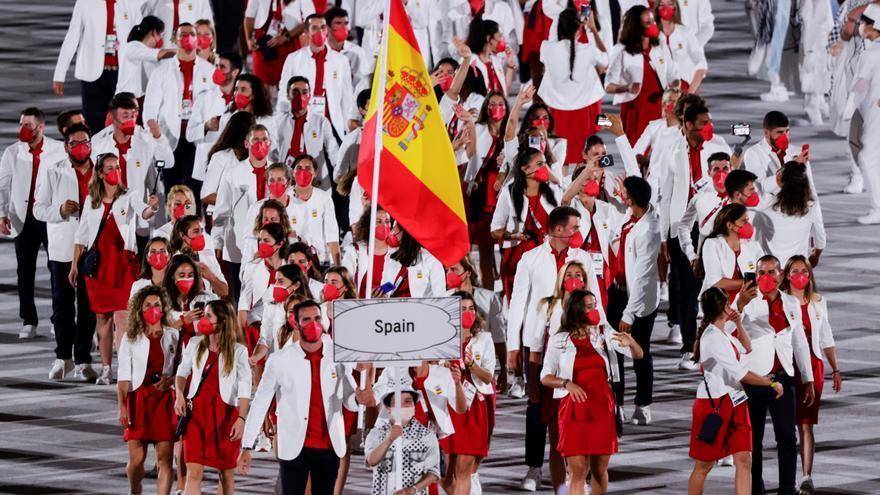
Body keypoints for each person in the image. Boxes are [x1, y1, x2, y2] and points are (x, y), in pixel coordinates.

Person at [503, 205, 602, 490]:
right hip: (539, 345)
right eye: (574, 227)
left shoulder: (581, 257)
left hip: (577, 344)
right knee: (537, 410)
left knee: (573, 408)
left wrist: (601, 333)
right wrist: (513, 346)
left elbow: (594, 299)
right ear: (558, 230)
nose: (577, 232)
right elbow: (518, 304)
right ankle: (534, 468)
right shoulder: (530, 259)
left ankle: (576, 474)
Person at [238, 299, 360, 495]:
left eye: (317, 318)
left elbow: (350, 401)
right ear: (295, 323)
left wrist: (360, 398)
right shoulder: (279, 360)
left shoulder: (338, 355)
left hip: (329, 445)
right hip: (294, 446)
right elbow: (260, 403)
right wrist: (246, 445)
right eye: (307, 319)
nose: (314, 324)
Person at [541, 289, 644, 495]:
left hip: (601, 406)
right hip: (573, 409)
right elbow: (545, 376)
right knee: (577, 470)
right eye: (590, 306)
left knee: (599, 470)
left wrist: (630, 342)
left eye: (595, 305)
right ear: (577, 310)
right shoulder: (559, 339)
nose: (595, 310)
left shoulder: (603, 333)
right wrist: (566, 383)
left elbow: (638, 355)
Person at [71, 153, 159, 386]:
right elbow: (81, 235)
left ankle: (124, 370)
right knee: (103, 320)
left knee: (122, 318)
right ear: (100, 173)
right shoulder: (92, 200)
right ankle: (106, 368)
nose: (115, 171)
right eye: (109, 168)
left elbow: (144, 212)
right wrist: (73, 265)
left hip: (122, 266)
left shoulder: (129, 195)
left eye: (117, 166)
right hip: (99, 268)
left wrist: (152, 208)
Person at [656, 104, 731, 373]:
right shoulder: (671, 151)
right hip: (682, 226)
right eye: (702, 123)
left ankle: (723, 344)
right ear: (687, 126)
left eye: (710, 121)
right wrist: (666, 234)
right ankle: (689, 347)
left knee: (717, 286)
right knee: (687, 290)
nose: (708, 127)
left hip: (713, 225)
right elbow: (665, 193)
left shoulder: (719, 148)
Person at [687, 287, 783, 495]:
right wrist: (771, 383)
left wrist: (739, 323)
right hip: (714, 406)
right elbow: (742, 374)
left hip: (736, 402)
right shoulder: (712, 337)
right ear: (723, 307)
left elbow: (747, 348)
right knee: (704, 465)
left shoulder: (724, 333)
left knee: (744, 459)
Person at [734, 254, 815, 495]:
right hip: (755, 379)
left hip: (784, 378)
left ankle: (787, 489)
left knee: (787, 439)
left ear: (780, 275)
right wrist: (739, 305)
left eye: (771, 272)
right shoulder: (746, 300)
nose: (766, 277)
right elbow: (727, 330)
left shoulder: (791, 303)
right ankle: (755, 489)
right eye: (761, 273)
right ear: (755, 276)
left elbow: (799, 342)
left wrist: (808, 378)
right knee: (754, 440)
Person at [35, 123, 97, 379]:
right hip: (62, 248)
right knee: (62, 305)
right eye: (75, 143)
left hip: (92, 248)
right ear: (66, 146)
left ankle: (83, 360)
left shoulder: (101, 171)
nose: (81, 148)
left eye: (85, 142)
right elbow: (39, 209)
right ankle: (63, 357)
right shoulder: (54, 171)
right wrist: (60, 211)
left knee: (87, 306)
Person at [0, 107, 66, 339]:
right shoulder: (12, 152)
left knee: (57, 270)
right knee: (24, 271)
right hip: (23, 218)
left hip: (50, 218)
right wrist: (1, 214)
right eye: (20, 124)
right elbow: (3, 185)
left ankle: (58, 319)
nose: (22, 129)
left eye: (27, 125)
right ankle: (29, 320)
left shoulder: (58, 150)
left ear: (40, 126)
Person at [175, 299, 251, 495]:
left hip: (225, 415)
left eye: (208, 316)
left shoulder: (239, 351)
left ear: (222, 321)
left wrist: (241, 419)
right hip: (196, 413)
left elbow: (245, 389)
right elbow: (182, 372)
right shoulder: (194, 343)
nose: (203, 320)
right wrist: (179, 395)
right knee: (194, 471)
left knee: (225, 473)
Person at [779, 256, 842, 494]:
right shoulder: (781, 300)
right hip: (787, 365)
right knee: (785, 425)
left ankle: (806, 477)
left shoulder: (818, 302)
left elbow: (826, 337)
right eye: (794, 271)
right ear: (786, 275)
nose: (800, 275)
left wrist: (835, 368)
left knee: (806, 424)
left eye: (804, 270)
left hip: (813, 366)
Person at [143, 22, 221, 198]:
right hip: (169, 137)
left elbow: (216, 104)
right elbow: (150, 107)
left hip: (198, 137)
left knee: (197, 190)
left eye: (192, 34)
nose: (188, 38)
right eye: (183, 35)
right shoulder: (161, 71)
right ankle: (173, 224)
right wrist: (155, 131)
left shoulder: (209, 71)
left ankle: (196, 224)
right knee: (172, 190)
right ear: (174, 40)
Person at [606, 176, 660, 425]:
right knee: (613, 352)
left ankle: (643, 403)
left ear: (633, 198)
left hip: (638, 299)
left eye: (625, 193)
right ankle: (617, 403)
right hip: (617, 291)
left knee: (640, 352)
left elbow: (643, 278)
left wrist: (629, 313)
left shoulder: (648, 230)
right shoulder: (630, 217)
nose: (621, 195)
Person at [90, 92, 175, 246]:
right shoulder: (98, 143)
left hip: (138, 221)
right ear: (113, 117)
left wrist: (158, 137)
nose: (131, 119)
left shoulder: (145, 139)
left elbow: (168, 162)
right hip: (109, 220)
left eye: (134, 115)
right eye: (125, 115)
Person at [117, 285, 178, 495]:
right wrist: (122, 407)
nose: (153, 309)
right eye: (148, 305)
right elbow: (124, 376)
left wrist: (170, 381)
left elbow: (181, 369)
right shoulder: (131, 338)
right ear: (139, 310)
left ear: (163, 308)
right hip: (138, 400)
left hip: (164, 401)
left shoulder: (173, 335)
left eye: (157, 305)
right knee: (136, 460)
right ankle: (135, 490)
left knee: (165, 460)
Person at [53, 0, 143, 133]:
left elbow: (140, 39)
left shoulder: (132, 2)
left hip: (124, 74)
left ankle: (123, 154)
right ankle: (96, 153)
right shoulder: (85, 2)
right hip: (92, 75)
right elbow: (72, 36)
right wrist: (59, 74)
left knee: (126, 125)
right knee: (94, 125)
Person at [491, 147, 562, 303]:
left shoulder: (552, 191)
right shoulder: (508, 192)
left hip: (546, 261)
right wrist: (511, 236)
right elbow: (494, 230)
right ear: (525, 169)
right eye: (540, 164)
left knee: (544, 312)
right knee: (520, 314)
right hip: (516, 262)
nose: (544, 168)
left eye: (544, 164)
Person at [442, 292, 495, 495]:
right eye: (462, 309)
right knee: (446, 474)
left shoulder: (484, 339)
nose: (468, 313)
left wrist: (472, 365)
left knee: (464, 469)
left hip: (474, 408)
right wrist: (443, 363)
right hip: (449, 406)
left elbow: (489, 377)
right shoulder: (444, 339)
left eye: (471, 308)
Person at [539, 8, 607, 166]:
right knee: (584, 156)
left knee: (560, 157)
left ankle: (561, 189)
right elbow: (605, 60)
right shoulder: (588, 49)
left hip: (555, 109)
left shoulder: (546, 48)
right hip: (586, 111)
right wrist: (593, 29)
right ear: (579, 29)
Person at [212, 124, 274, 297]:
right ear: (246, 143)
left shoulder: (278, 171)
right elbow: (221, 211)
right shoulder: (233, 173)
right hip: (239, 245)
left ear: (270, 143)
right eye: (255, 139)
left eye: (264, 139)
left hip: (273, 246)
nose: (260, 144)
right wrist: (217, 241)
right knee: (241, 297)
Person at [605, 5, 678, 143]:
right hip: (635, 110)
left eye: (653, 21)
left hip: (659, 108)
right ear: (636, 27)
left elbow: (673, 75)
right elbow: (608, 85)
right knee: (635, 152)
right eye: (648, 23)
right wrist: (627, 88)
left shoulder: (660, 46)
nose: (653, 25)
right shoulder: (621, 51)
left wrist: (674, 89)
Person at [277, 14, 355, 139]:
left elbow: (347, 99)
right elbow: (283, 94)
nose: (320, 32)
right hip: (303, 122)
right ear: (307, 32)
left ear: (327, 31)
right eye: (315, 28)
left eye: (323, 27)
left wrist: (348, 131)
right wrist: (284, 123)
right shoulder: (293, 59)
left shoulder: (341, 61)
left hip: (333, 124)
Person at [463, 91, 509, 289]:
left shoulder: (512, 133)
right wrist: (469, 125)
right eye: (492, 103)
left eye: (500, 103)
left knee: (503, 251)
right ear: (486, 108)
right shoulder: (479, 129)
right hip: (481, 196)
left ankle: (500, 292)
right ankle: (480, 290)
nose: (496, 107)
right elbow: (469, 154)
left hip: (504, 197)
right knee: (484, 250)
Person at [364, 383, 442, 495]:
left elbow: (434, 472)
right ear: (388, 408)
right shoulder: (376, 433)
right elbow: (371, 461)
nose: (403, 407)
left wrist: (413, 489)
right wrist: (389, 439)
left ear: (414, 405)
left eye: (408, 401)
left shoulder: (427, 435)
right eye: (397, 403)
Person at [446, 256, 508, 391]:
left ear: (468, 272)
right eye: (447, 271)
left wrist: (504, 368)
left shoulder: (489, 298)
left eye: (454, 269)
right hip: (455, 369)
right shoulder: (444, 299)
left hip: (481, 368)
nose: (449, 274)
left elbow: (499, 337)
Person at [753, 161, 826, 267]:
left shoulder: (764, 203)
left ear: (779, 180)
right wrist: (815, 256)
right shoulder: (811, 207)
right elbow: (820, 238)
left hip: (770, 269)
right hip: (796, 270)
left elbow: (757, 188)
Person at [846, 6, 880, 224]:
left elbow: (860, 85)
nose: (861, 26)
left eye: (864, 22)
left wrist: (847, 109)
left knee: (868, 158)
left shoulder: (873, 53)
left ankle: (878, 207)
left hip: (875, 113)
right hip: (872, 111)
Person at [697, 204, 764, 304]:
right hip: (719, 305)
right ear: (729, 225)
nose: (748, 225)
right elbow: (716, 282)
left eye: (747, 220)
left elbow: (763, 273)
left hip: (749, 305)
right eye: (743, 221)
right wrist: (750, 282)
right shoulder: (712, 244)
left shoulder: (753, 245)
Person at [275, 77, 339, 181]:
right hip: (286, 177)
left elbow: (332, 148)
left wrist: (339, 169)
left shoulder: (321, 121)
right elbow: (272, 153)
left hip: (315, 178)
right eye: (295, 92)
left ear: (310, 95)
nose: (300, 96)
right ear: (287, 95)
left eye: (304, 92)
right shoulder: (278, 121)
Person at [287, 154, 341, 265]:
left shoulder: (324, 198)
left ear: (315, 173)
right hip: (293, 261)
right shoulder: (285, 197)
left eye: (308, 168)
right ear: (293, 172)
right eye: (299, 168)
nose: (303, 172)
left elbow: (332, 235)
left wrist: (338, 267)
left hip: (321, 260)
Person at [243, 0, 304, 88]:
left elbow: (308, 20)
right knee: (261, 88)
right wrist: (248, 39)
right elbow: (249, 15)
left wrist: (286, 37)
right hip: (262, 43)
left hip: (289, 43)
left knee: (289, 87)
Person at [117, 16, 177, 101]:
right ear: (154, 32)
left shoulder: (147, 54)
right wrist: (182, 51)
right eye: (161, 34)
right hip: (124, 101)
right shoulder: (133, 47)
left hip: (138, 100)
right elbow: (159, 54)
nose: (161, 39)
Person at [379, 223, 447, 298]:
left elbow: (440, 296)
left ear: (406, 233)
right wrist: (380, 293)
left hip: (421, 308)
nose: (393, 233)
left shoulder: (431, 259)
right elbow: (387, 286)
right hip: (393, 307)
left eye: (395, 229)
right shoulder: (392, 256)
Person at [169, 214, 229, 298]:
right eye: (196, 231)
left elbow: (224, 292)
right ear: (182, 235)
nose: (201, 235)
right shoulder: (173, 261)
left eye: (201, 231)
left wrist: (210, 276)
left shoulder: (208, 258)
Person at [655, 0, 707, 93]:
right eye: (662, 5)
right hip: (659, 92)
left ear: (675, 8)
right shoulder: (652, 35)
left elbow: (701, 65)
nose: (666, 8)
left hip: (686, 89)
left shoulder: (685, 32)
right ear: (657, 9)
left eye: (669, 4)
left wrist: (691, 91)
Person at [164, 253, 214, 349]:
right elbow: (162, 335)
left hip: (199, 351)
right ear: (172, 276)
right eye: (182, 275)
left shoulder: (207, 298)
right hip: (172, 352)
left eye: (190, 275)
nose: (187, 279)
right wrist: (182, 321)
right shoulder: (162, 300)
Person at [342, 207, 393, 297]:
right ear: (369, 225)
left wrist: (383, 291)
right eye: (379, 221)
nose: (384, 225)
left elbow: (397, 281)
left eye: (387, 221)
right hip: (358, 305)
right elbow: (345, 281)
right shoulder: (354, 250)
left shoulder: (396, 252)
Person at [467, 17, 516, 96]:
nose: (502, 40)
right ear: (489, 39)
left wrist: (510, 65)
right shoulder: (470, 62)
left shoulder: (495, 60)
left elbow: (504, 91)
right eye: (499, 36)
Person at [324, 8, 370, 91]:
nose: (343, 27)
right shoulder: (321, 51)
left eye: (346, 23)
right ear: (327, 27)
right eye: (338, 23)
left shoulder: (357, 52)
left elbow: (363, 83)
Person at [143, 0, 215, 48]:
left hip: (191, 56)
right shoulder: (153, 2)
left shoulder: (201, 2)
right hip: (161, 55)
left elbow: (210, 30)